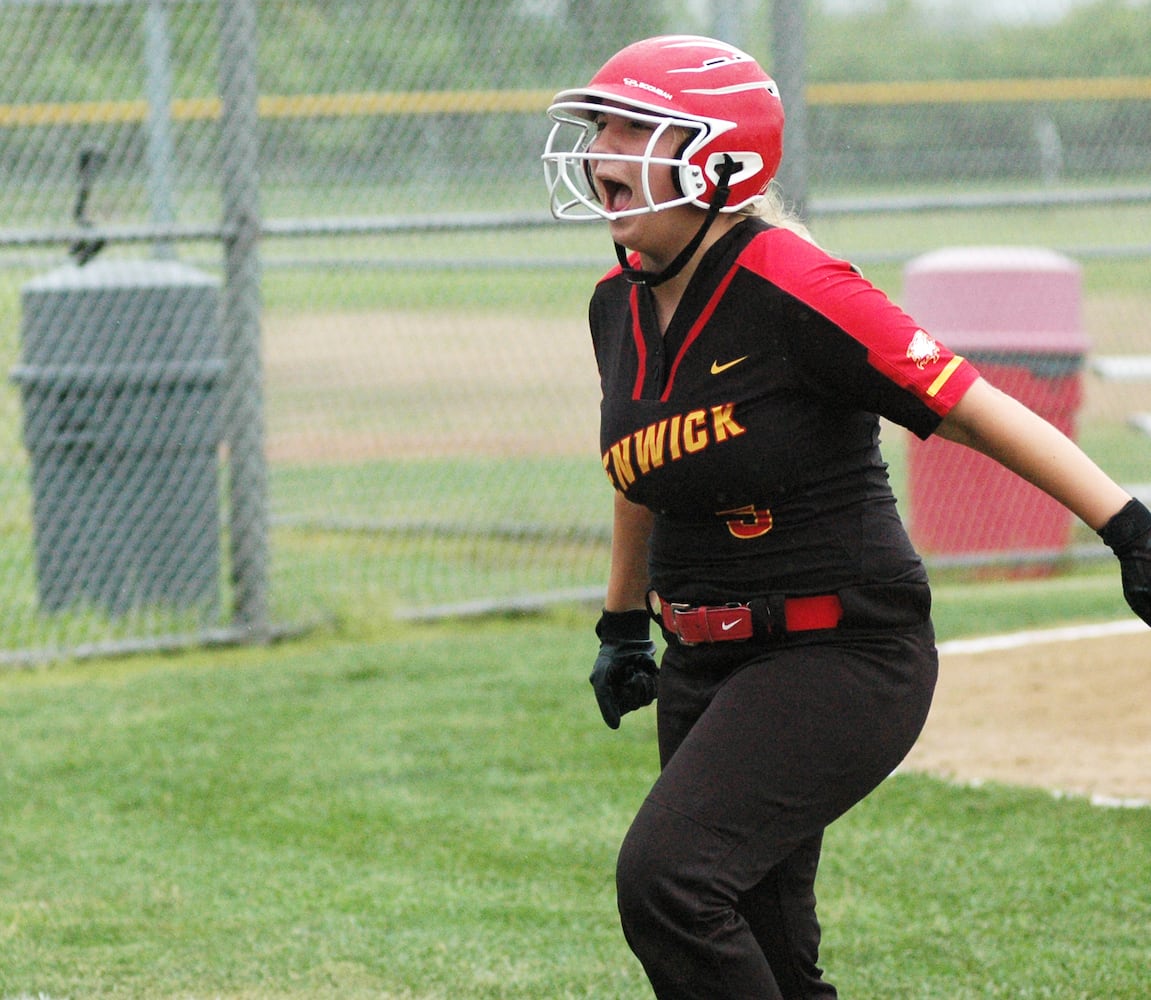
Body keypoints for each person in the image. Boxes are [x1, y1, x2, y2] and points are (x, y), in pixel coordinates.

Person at [541, 33, 1151, 1000]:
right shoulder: (615, 302)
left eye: (631, 130)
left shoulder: (794, 282)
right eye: (597, 130)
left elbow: (972, 406)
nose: (599, 155)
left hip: (838, 652)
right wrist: (622, 622)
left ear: (719, 156)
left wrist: (1125, 525)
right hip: (705, 657)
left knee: (669, 883)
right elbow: (638, 466)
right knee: (766, 953)